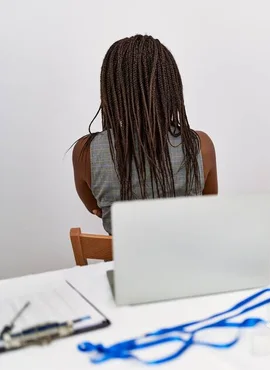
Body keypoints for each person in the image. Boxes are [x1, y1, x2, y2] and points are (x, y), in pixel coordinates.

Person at [72, 35, 217, 235]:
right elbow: (209, 208)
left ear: (110, 90)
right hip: (189, 262)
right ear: (171, 87)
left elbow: (96, 208)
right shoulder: (200, 145)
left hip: (124, 265)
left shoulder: (85, 151)